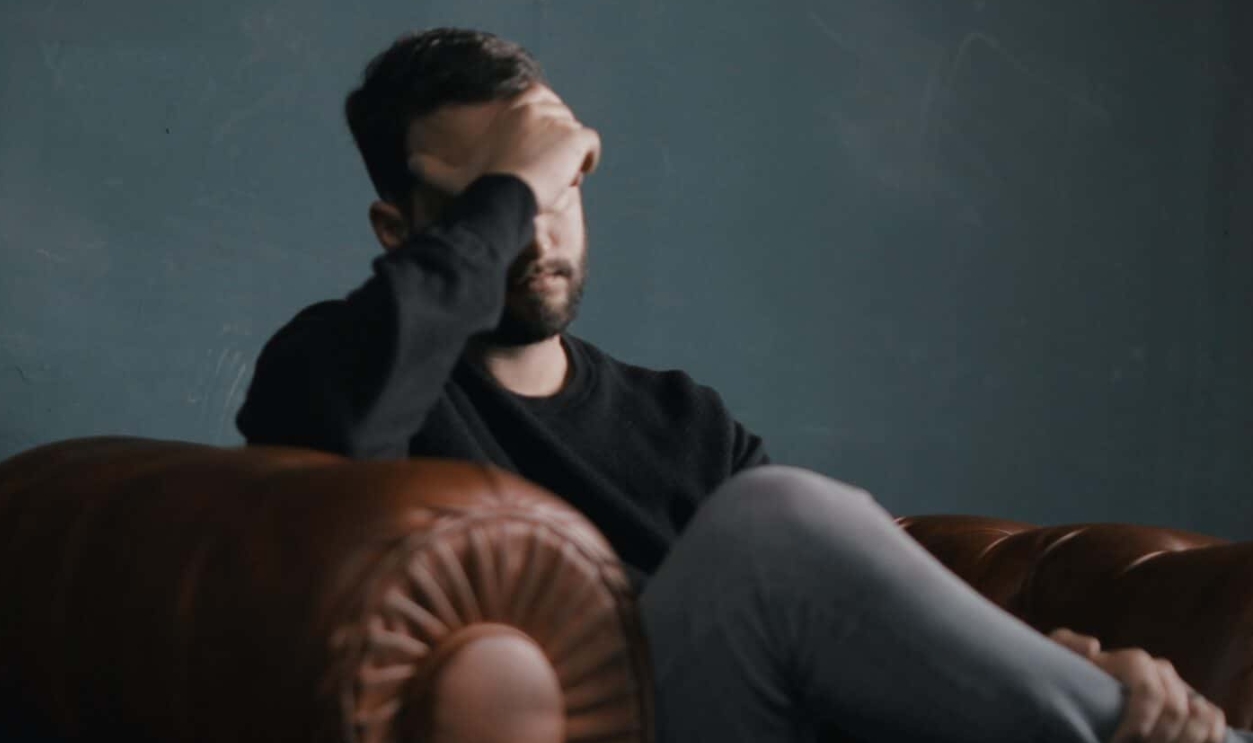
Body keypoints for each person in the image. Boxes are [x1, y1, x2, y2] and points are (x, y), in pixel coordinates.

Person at [236, 28, 1247, 743]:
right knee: (772, 519)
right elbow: (332, 445)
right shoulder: (332, 364)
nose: (537, 231)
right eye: (499, 202)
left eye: (559, 191)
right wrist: (514, 181)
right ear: (400, 230)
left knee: (789, 530)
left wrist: (1041, 664)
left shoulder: (681, 418)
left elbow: (844, 614)